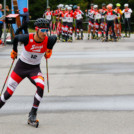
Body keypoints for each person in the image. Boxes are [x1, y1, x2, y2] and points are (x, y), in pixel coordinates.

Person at [0, 18, 57, 124]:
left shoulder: (49, 39)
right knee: (8, 93)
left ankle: (32, 114)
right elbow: (16, 38)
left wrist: (49, 49)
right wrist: (14, 50)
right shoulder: (27, 38)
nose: (45, 33)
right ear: (36, 29)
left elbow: (54, 38)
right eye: (43, 30)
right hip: (20, 68)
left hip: (34, 69)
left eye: (46, 30)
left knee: (41, 86)